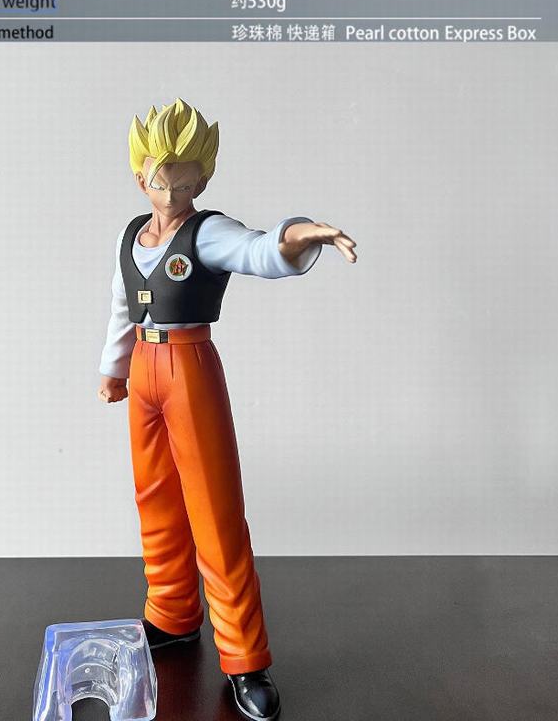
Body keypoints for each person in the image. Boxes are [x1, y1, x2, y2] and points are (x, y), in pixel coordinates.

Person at [97, 98, 356, 721]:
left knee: (214, 509)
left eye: (185, 183)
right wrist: (112, 367)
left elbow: (257, 251)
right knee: (155, 497)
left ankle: (243, 658)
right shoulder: (132, 235)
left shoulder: (207, 231)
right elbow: (122, 305)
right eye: (161, 182)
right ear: (141, 177)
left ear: (202, 181)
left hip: (189, 365)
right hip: (144, 369)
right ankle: (171, 613)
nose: (172, 194)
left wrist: (295, 237)